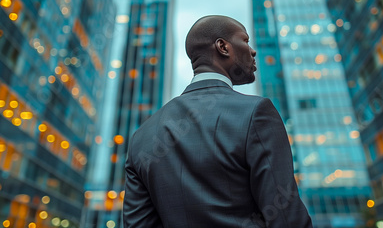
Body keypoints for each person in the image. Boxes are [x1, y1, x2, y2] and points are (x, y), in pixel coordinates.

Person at [123, 15, 312, 228]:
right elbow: (287, 218)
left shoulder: (142, 137)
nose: (253, 51)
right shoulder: (256, 113)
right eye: (245, 40)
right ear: (223, 47)